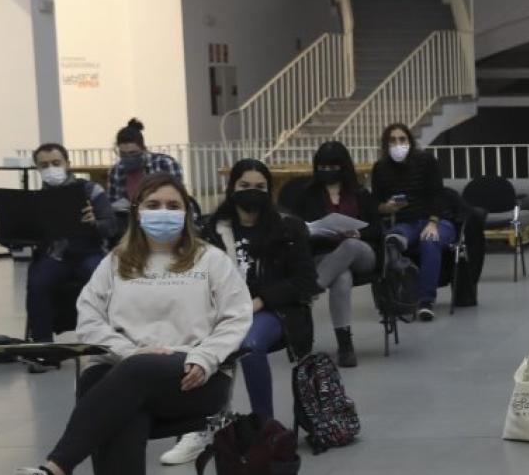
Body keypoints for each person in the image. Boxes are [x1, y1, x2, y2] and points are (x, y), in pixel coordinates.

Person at [0, 173, 251, 475]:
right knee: (125, 410)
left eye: (174, 206)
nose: (165, 213)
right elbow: (90, 321)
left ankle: (53, 471)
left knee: (123, 384)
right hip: (123, 372)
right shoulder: (116, 262)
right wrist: (129, 352)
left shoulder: (210, 260)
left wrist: (204, 357)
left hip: (191, 377)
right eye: (155, 205)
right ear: (137, 211)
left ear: (187, 212)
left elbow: (236, 318)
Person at [185, 160, 317, 454]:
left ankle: (264, 427)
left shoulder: (288, 228)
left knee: (249, 344)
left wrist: (262, 301)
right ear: (231, 188)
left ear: (269, 191)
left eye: (259, 187)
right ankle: (203, 425)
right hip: (220, 311)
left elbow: (305, 281)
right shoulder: (210, 230)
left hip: (273, 311)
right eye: (244, 186)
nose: (251, 192)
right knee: (190, 340)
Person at [288, 140, 381, 368]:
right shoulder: (307, 195)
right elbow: (298, 230)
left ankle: (310, 290)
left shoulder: (360, 194)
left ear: (343, 166)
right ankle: (345, 344)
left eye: (333, 167)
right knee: (342, 278)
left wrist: (360, 233)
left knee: (349, 246)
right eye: (323, 167)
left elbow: (378, 229)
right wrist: (317, 230)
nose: (327, 172)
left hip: (362, 251)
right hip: (325, 254)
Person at [21, 143, 118, 357]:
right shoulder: (34, 200)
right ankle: (43, 348)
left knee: (99, 279)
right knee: (38, 282)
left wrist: (95, 222)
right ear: (37, 168)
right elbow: (21, 239)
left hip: (90, 252)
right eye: (44, 165)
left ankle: (109, 341)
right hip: (55, 256)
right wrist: (4, 217)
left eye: (56, 163)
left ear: (67, 164)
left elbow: (111, 227)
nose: (51, 169)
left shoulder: (91, 190)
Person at [370, 122, 456, 321]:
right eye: (392, 140)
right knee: (391, 240)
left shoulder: (426, 161)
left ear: (410, 141)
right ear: (385, 144)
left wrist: (433, 222)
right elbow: (376, 204)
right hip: (405, 223)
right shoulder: (380, 168)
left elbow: (438, 195)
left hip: (437, 221)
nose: (398, 144)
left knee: (429, 240)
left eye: (402, 139)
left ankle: (426, 301)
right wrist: (386, 208)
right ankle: (397, 296)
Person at [105, 117, 182, 210]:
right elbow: (112, 204)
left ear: (144, 149)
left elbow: (177, 198)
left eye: (133, 153)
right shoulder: (116, 171)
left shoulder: (165, 164)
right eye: (123, 154)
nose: (129, 158)